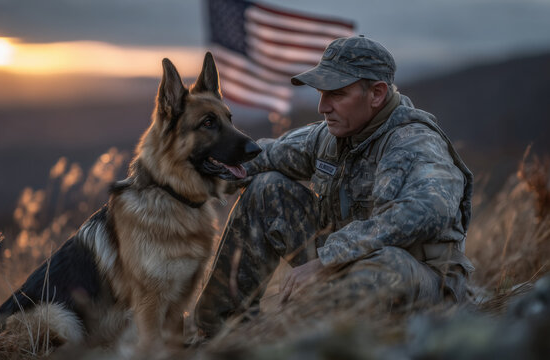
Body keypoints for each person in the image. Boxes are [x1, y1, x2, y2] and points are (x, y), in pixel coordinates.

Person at [194, 35, 475, 336]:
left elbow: (429, 211)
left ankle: (309, 342)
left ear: (377, 94)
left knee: (385, 263)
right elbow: (262, 158)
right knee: (267, 187)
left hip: (423, 290)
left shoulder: (415, 142)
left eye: (336, 94)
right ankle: (220, 333)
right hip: (347, 269)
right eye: (321, 93)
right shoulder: (333, 135)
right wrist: (166, 176)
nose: (322, 107)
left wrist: (327, 259)